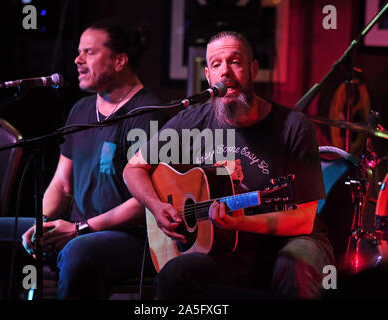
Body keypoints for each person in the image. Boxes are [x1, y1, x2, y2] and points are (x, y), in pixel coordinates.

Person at [123, 31, 335, 300]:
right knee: (175, 274)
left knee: (296, 265)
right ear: (208, 77)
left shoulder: (292, 126)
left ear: (253, 69)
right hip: (225, 244)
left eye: (235, 61)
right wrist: (156, 205)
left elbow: (303, 219)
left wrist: (241, 223)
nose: (225, 72)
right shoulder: (191, 120)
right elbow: (133, 168)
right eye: (216, 64)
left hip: (290, 238)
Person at [0, 20, 167, 299]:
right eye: (78, 52)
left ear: (119, 60)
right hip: (74, 229)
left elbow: (146, 203)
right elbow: (62, 185)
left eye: (89, 52)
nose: (77, 60)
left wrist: (81, 229)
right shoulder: (81, 109)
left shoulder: (149, 114)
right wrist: (42, 223)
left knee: (79, 251)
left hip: (130, 238)